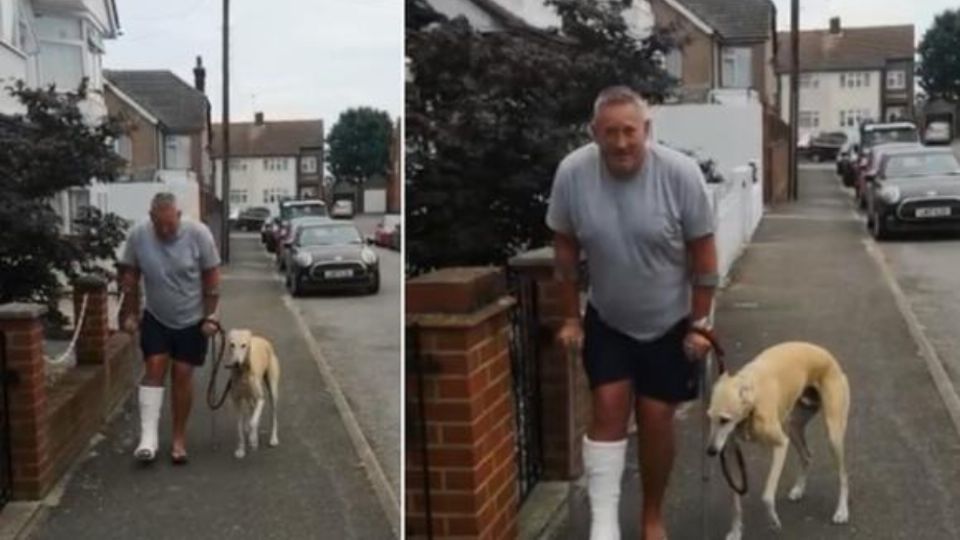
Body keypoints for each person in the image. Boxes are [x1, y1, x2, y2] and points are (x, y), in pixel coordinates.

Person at [546, 86, 719, 540]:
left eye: (629, 132)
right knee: (607, 407)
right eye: (610, 133)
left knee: (657, 418)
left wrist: (701, 325)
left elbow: (704, 255)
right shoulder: (573, 174)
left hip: (670, 321)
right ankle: (604, 525)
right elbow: (564, 248)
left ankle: (652, 517)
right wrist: (570, 316)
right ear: (594, 133)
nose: (621, 143)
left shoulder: (680, 174)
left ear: (647, 130)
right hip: (609, 317)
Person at [118, 192, 222, 465]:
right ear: (151, 217)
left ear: (178, 215)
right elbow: (129, 273)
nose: (165, 230)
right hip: (156, 314)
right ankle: (148, 439)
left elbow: (211, 276)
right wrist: (129, 312)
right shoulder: (139, 234)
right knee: (154, 366)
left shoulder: (199, 234)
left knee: (182, 374)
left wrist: (211, 316)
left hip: (191, 317)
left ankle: (178, 438)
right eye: (159, 225)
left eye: (170, 224)